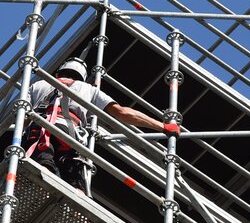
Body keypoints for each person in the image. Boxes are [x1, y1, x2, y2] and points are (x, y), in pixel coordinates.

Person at [23, 57, 177, 195]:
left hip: (39, 130)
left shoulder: (38, 85)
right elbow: (123, 113)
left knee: (42, 168)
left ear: (59, 72)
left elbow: (22, 117)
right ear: (83, 77)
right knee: (75, 183)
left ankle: (39, 191)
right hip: (71, 135)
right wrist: (163, 126)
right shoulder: (89, 89)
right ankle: (75, 211)